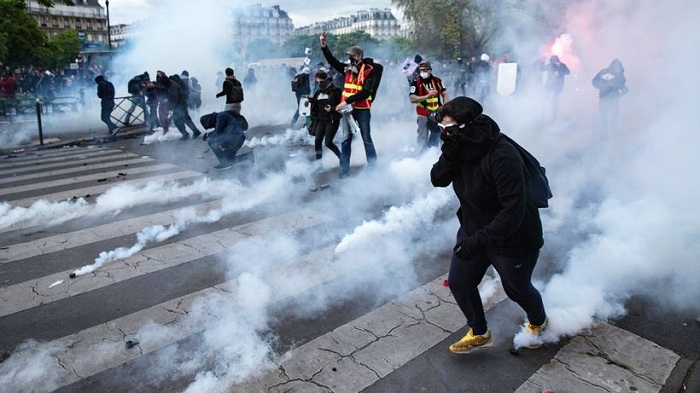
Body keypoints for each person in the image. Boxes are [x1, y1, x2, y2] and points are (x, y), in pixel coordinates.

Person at [430, 96, 548, 354]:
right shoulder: (459, 145)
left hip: (513, 237)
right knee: (460, 283)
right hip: (475, 227)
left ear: (468, 126)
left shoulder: (502, 155)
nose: (445, 134)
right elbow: (437, 179)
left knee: (517, 289)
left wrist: (476, 242)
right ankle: (479, 332)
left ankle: (539, 322)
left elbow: (513, 212)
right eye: (442, 128)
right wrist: (449, 152)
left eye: (449, 129)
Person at [320, 32, 382, 178]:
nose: (349, 58)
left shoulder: (369, 71)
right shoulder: (347, 68)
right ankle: (343, 170)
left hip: (362, 109)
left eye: (352, 56)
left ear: (359, 56)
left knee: (366, 138)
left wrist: (345, 102)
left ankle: (373, 167)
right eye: (349, 56)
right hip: (347, 110)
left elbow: (366, 92)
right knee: (346, 139)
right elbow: (332, 61)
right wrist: (324, 46)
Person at [409, 61, 449, 149]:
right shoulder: (416, 82)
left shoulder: (437, 80)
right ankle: (421, 155)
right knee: (422, 136)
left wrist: (444, 106)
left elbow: (445, 93)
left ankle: (432, 151)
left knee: (438, 133)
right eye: (421, 70)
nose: (422, 72)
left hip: (437, 112)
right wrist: (427, 96)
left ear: (430, 70)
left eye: (425, 70)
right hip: (423, 112)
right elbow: (412, 98)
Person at [308, 70, 342, 164]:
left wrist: (332, 109)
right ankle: (319, 164)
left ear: (326, 80)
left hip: (331, 120)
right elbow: (316, 103)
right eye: (317, 82)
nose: (319, 84)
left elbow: (342, 106)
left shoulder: (336, 91)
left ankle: (342, 158)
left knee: (328, 143)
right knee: (317, 141)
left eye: (321, 82)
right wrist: (312, 100)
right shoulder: (318, 91)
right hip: (320, 120)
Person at [592, 58, 628, 135]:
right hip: (608, 98)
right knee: (609, 116)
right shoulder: (608, 73)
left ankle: (609, 133)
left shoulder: (617, 75)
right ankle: (609, 133)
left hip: (610, 98)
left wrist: (623, 90)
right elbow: (594, 82)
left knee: (609, 117)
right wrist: (603, 85)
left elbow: (622, 85)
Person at [169, 74, 201, 140]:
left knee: (179, 120)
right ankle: (193, 132)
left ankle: (187, 133)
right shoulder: (181, 83)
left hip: (180, 105)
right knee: (185, 119)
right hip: (183, 104)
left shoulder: (175, 85)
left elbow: (176, 97)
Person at [542, 55, 570, 120]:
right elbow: (542, 69)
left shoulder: (562, 65)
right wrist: (543, 62)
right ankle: (545, 114)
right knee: (547, 100)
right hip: (550, 85)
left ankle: (553, 115)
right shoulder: (550, 65)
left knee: (554, 101)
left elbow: (568, 72)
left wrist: (560, 68)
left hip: (557, 86)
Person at [290, 63, 311, 127]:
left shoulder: (299, 76)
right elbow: (305, 87)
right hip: (303, 95)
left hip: (299, 95)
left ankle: (294, 120)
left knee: (302, 108)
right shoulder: (304, 77)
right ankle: (307, 123)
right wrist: (306, 94)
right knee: (305, 109)